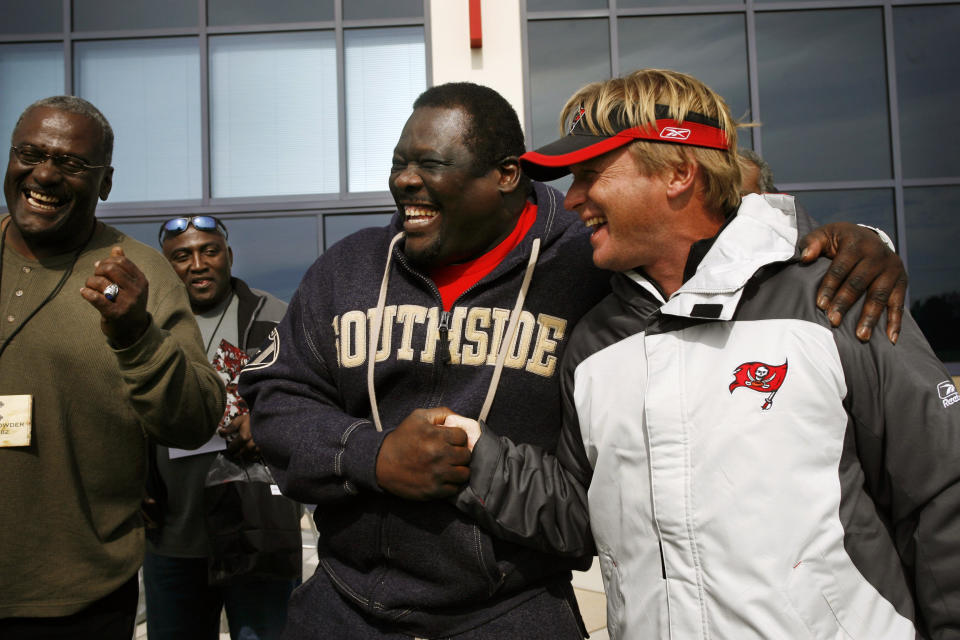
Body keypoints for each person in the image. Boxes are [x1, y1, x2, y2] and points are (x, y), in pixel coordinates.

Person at [238, 82, 907, 639]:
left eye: (431, 164)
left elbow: (715, 247)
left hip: (512, 610)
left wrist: (850, 242)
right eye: (398, 162)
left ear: (505, 176)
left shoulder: (587, 261)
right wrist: (369, 454)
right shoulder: (348, 269)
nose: (405, 181)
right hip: (344, 608)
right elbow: (276, 401)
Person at [460, 69, 958, 638]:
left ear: (677, 172)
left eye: (591, 174)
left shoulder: (834, 296)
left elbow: (941, 494)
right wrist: (475, 457)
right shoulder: (593, 345)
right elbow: (583, 515)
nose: (571, 199)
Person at [0, 96, 225, 639]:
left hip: (77, 596)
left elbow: (196, 417)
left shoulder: (139, 273)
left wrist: (135, 334)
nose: (46, 174)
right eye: (30, 153)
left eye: (72, 164)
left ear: (105, 183)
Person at [145, 216, 295, 640]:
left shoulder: (274, 316)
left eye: (209, 251)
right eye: (182, 256)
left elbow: (308, 398)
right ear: (166, 266)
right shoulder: (147, 327)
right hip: (173, 530)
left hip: (257, 527)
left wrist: (264, 422)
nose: (198, 264)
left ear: (228, 256)